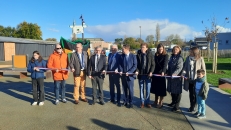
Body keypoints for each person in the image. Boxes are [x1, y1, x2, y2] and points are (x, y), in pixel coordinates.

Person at [182, 47, 206, 112]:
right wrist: (183, 74)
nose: (190, 53)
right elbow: (185, 67)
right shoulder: (187, 58)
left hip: (197, 80)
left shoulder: (200, 59)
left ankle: (196, 107)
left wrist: (203, 79)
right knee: (191, 94)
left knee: (196, 94)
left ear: (195, 52)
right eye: (190, 51)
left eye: (191, 52)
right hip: (189, 79)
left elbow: (204, 70)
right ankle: (192, 106)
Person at [135, 43, 155, 108]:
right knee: (141, 89)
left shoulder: (150, 54)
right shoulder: (138, 55)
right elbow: (137, 65)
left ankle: (148, 102)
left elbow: (153, 64)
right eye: (141, 47)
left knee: (148, 89)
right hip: (141, 75)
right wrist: (137, 71)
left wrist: (151, 72)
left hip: (148, 75)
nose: (142, 48)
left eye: (143, 47)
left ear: (146, 48)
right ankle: (142, 102)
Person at [150, 44, 169, 108]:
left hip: (161, 74)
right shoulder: (156, 55)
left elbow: (165, 64)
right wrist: (152, 72)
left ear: (163, 49)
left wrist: (163, 71)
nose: (160, 50)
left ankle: (161, 102)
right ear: (157, 49)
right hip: (155, 73)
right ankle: (156, 101)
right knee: (155, 88)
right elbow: (154, 64)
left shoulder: (166, 55)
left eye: (161, 49)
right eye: (159, 49)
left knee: (161, 89)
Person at [166, 46, 184, 111]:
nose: (175, 51)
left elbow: (179, 67)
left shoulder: (180, 58)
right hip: (171, 77)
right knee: (172, 91)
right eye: (174, 49)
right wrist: (167, 72)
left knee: (177, 92)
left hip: (177, 78)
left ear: (179, 51)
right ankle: (173, 102)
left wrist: (175, 74)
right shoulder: (171, 57)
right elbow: (168, 66)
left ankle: (177, 106)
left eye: (176, 49)